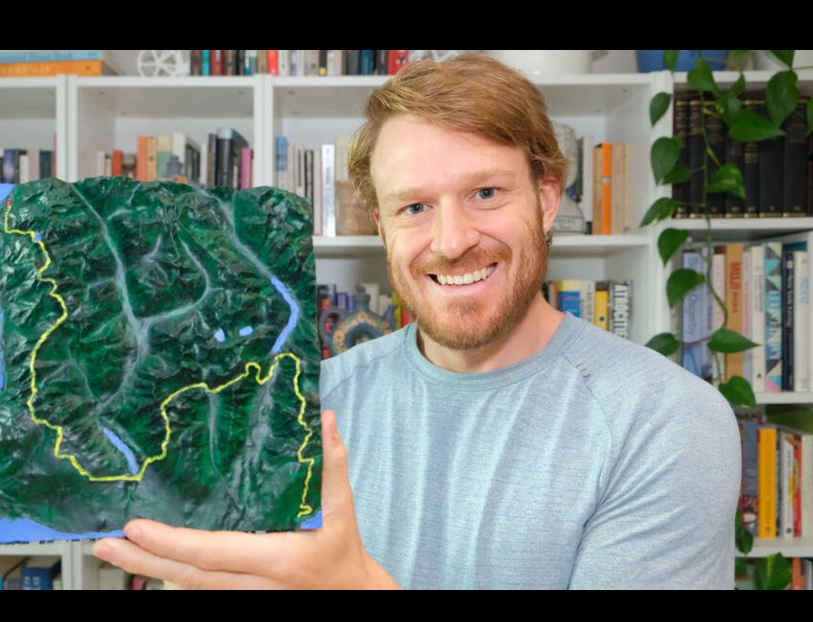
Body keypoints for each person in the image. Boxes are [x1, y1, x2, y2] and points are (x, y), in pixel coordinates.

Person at [93, 53, 741, 589]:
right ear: (379, 226)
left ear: (547, 199)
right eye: (413, 208)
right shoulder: (310, 405)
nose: (452, 241)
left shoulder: (665, 421)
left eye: (485, 193)